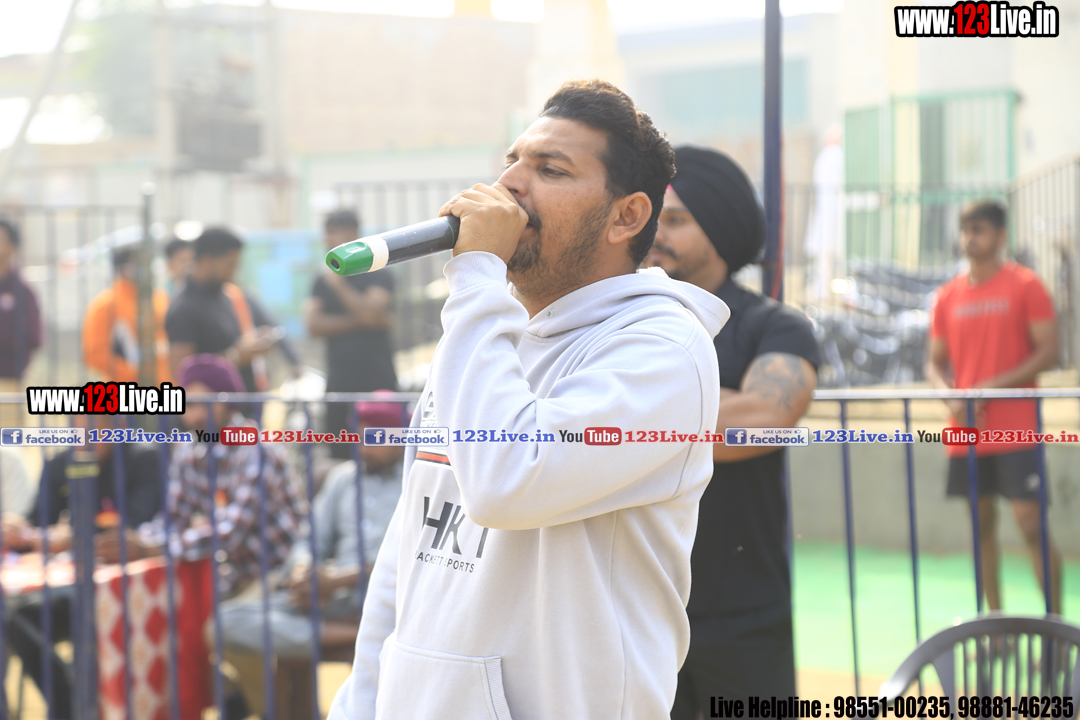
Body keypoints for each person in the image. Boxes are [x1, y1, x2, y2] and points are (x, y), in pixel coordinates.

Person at [328, 79, 726, 720]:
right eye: (512, 161)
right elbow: (409, 554)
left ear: (626, 216)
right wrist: (361, 705)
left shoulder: (663, 350)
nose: (510, 184)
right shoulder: (482, 336)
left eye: (550, 169)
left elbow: (508, 481)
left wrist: (476, 276)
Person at [643, 146, 821, 713]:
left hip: (744, 610)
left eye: (676, 220)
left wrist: (630, 417)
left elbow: (766, 418)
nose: (657, 234)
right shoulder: (624, 323)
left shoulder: (776, 326)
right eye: (654, 219)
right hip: (638, 606)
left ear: (720, 229)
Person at [219, 395, 405, 718]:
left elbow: (413, 558)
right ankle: (356, 634)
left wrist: (339, 579)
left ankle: (365, 630)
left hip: (391, 600)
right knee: (226, 621)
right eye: (359, 434)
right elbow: (309, 540)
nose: (364, 446)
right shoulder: (343, 479)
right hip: (330, 600)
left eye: (375, 436)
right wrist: (304, 572)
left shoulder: (417, 481)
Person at [925, 199, 1061, 613]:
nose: (969, 237)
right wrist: (951, 396)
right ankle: (995, 626)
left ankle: (1055, 629)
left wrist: (990, 388)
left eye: (979, 229)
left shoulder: (1026, 285)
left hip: (1016, 427)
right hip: (966, 431)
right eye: (965, 229)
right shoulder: (947, 296)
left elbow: (1049, 351)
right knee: (981, 526)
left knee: (1030, 523)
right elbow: (933, 363)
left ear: (1001, 236)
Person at [98, 354, 305, 599]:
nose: (193, 415)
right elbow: (173, 519)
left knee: (214, 617)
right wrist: (132, 541)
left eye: (202, 404)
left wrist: (151, 548)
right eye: (187, 405)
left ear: (228, 401)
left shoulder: (259, 451)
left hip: (280, 576)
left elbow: (230, 533)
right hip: (230, 576)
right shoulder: (188, 453)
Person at [4, 414, 163, 720]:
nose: (84, 434)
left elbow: (135, 526)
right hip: (70, 585)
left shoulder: (144, 458)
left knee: (87, 623)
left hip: (129, 590)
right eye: (77, 426)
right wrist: (20, 531)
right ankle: (69, 705)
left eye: (95, 426)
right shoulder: (63, 462)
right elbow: (39, 523)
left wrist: (71, 539)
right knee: (16, 616)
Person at [306, 209, 398, 460]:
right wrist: (365, 320)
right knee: (341, 456)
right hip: (339, 385)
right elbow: (313, 325)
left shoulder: (379, 272)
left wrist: (339, 285)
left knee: (384, 456)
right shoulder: (321, 279)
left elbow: (371, 314)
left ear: (353, 234)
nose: (327, 240)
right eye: (326, 233)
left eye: (333, 232)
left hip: (378, 383)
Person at [165, 227, 300, 394]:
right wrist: (235, 357)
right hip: (212, 408)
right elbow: (181, 372)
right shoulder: (183, 307)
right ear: (206, 261)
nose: (233, 272)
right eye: (229, 265)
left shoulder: (227, 295)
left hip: (242, 402)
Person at [82, 245, 172, 383]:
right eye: (139, 263)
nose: (146, 269)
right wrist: (136, 375)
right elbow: (95, 355)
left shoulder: (161, 299)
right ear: (124, 268)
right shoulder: (106, 305)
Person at [0, 218, 41, 427]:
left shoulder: (22, 291)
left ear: (13, 246)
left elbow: (34, 337)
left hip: (9, 382)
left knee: (8, 441)